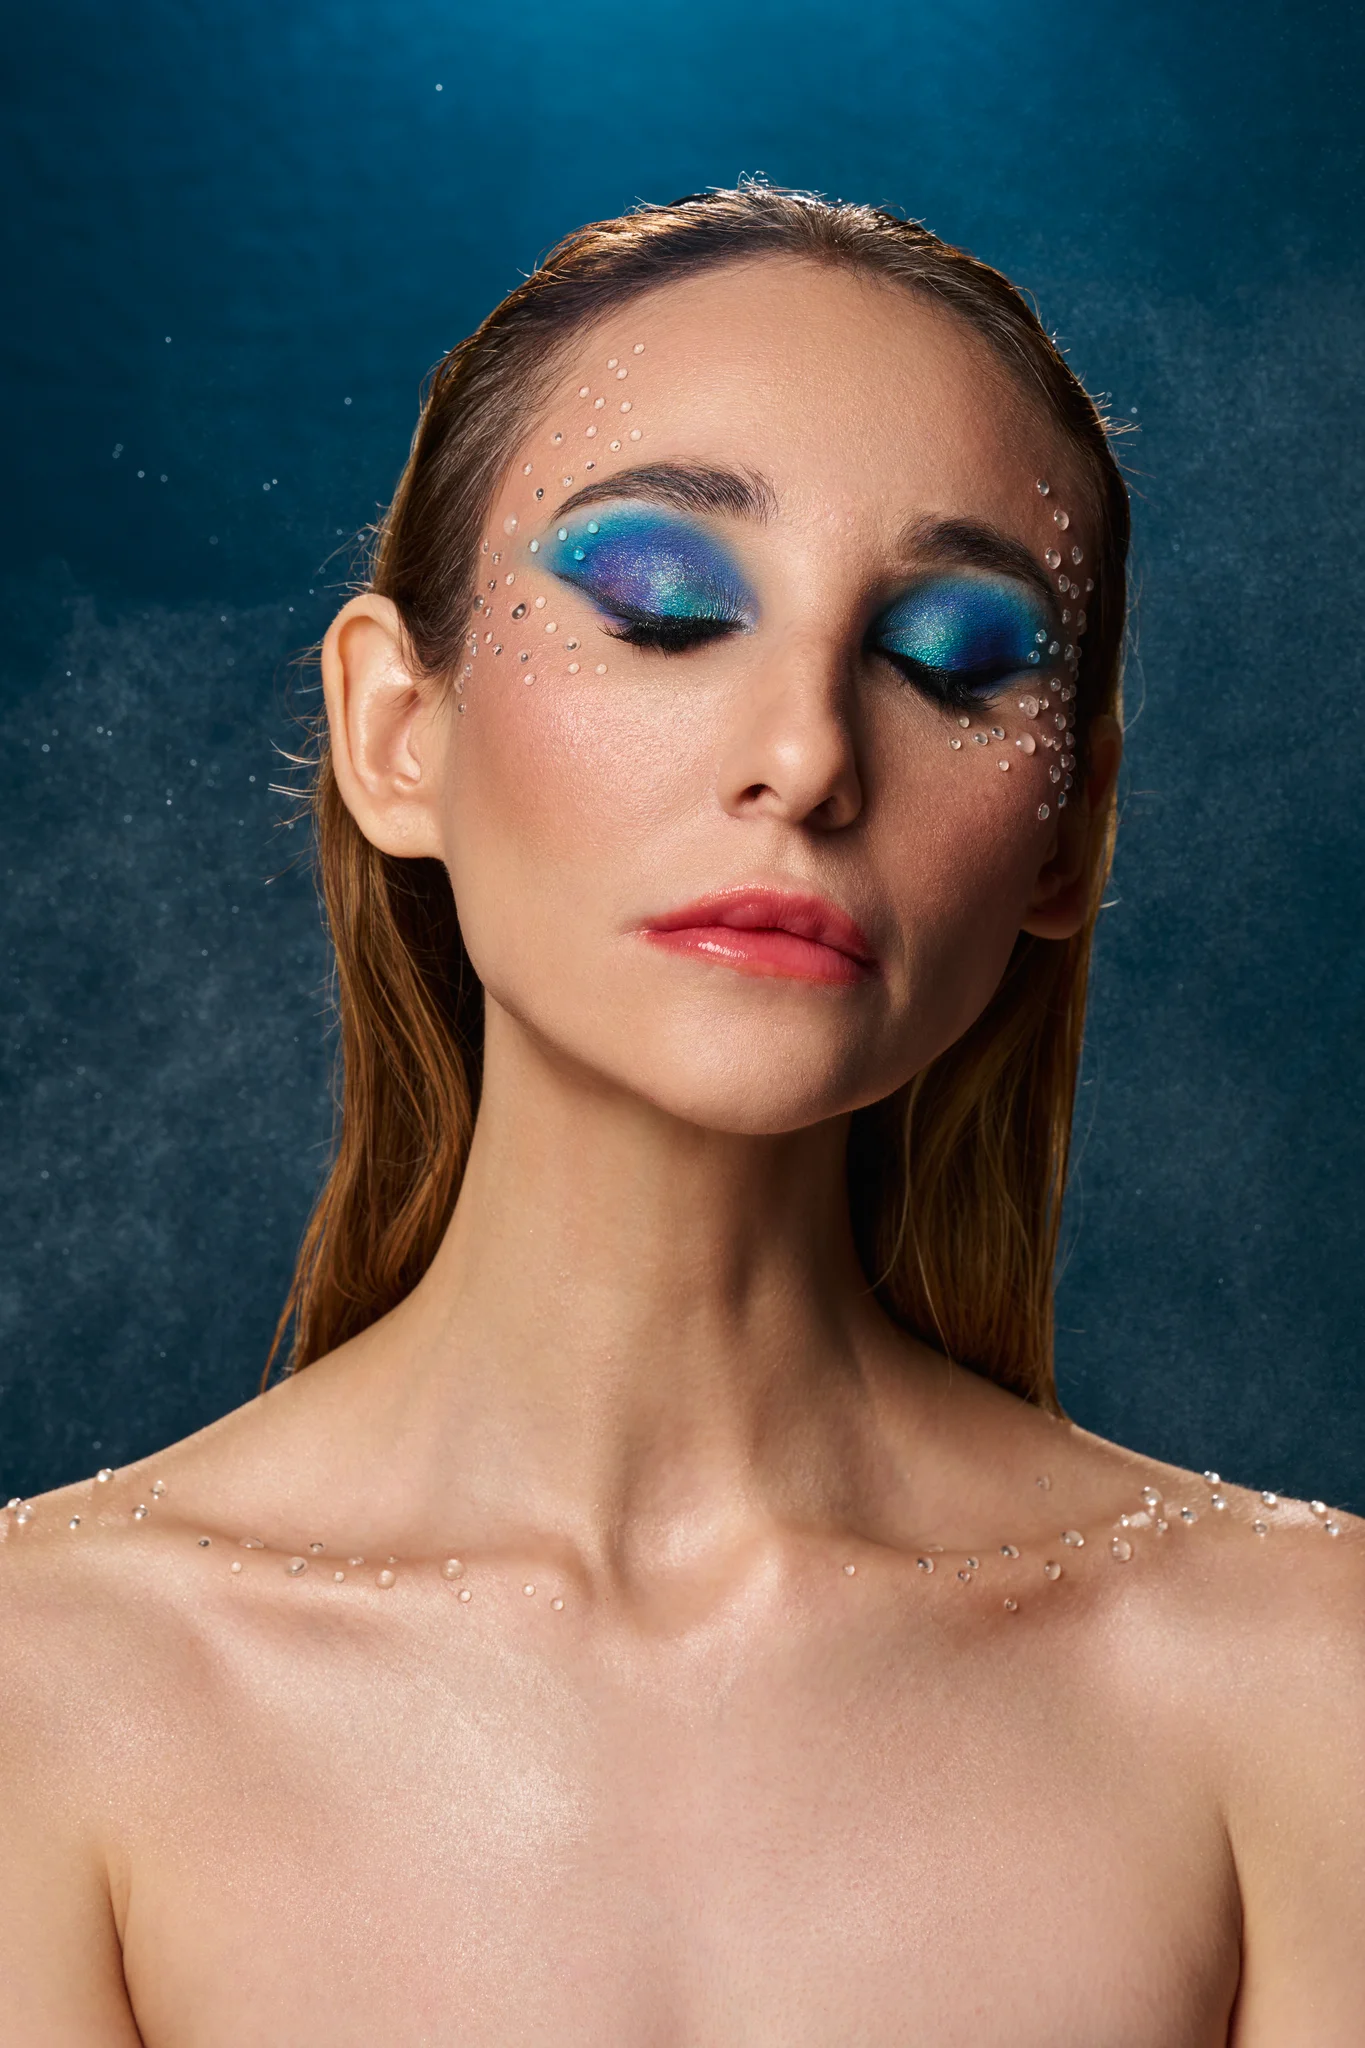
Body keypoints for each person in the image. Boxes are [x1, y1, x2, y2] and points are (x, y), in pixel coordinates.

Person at [2, 185, 1360, 2045]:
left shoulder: (1309, 1687)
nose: (805, 754)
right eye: (664, 609)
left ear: (1069, 832)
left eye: (954, 657)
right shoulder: (44, 1691)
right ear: (400, 733)